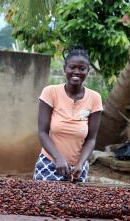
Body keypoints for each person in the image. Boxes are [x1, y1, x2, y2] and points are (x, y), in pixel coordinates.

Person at [33, 46, 103, 182]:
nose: (76, 72)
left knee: (75, 203)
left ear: (88, 71)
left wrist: (81, 163)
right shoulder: (50, 92)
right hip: (49, 163)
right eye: (72, 67)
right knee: (43, 202)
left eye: (82, 68)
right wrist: (58, 158)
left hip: (77, 169)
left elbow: (91, 139)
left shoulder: (95, 98)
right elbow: (42, 132)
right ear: (65, 68)